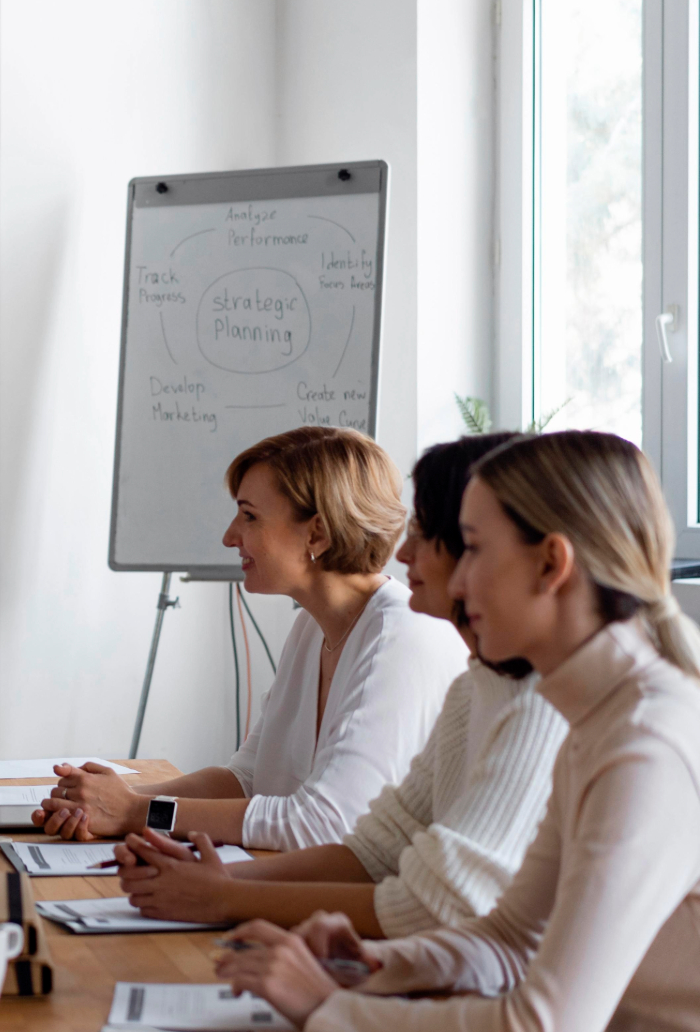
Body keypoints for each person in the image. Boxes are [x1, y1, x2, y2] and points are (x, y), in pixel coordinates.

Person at [216, 430, 700, 1030]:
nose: (457, 582)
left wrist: (328, 1007)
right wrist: (369, 965)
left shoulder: (643, 742)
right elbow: (509, 939)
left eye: (471, 549)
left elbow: (542, 1022)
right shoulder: (596, 714)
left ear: (551, 564)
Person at [111, 433, 569, 937]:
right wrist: (201, 869)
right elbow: (370, 846)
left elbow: (348, 842)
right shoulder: (471, 681)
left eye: (249, 516)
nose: (404, 552)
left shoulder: (421, 644)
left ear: (317, 534)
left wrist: (146, 819)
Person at [36, 427, 467, 850]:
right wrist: (112, 799)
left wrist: (135, 812)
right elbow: (246, 779)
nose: (229, 536)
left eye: (249, 516)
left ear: (316, 534)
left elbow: (325, 825)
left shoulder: (399, 637)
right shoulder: (312, 627)